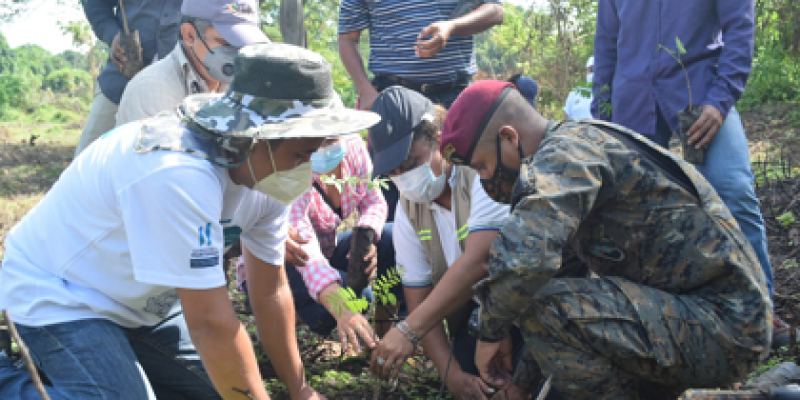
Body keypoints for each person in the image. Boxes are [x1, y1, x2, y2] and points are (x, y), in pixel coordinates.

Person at [0, 43, 380, 400]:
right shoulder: (177, 172)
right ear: (257, 137)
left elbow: (270, 291)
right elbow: (211, 323)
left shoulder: (269, 177)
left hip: (145, 302)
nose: (307, 170)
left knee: (223, 387)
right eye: (301, 154)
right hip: (64, 294)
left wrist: (300, 391)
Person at [430, 80, 771, 399]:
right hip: (704, 320)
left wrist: (489, 330)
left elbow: (524, 259)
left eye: (484, 166)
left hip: (728, 327)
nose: (486, 180)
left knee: (539, 304)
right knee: (541, 301)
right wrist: (520, 385)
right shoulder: (575, 150)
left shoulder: (565, 154)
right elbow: (554, 283)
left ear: (508, 137)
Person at [591, 1, 783, 346]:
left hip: (699, 93)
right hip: (632, 101)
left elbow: (739, 25)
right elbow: (606, 43)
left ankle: (762, 313)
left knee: (732, 188)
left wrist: (721, 98)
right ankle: (662, 319)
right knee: (637, 211)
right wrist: (602, 114)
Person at [366, 86, 522, 399]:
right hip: (472, 315)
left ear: (439, 138)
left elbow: (481, 260)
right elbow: (418, 298)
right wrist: (452, 376)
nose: (404, 178)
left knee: (525, 381)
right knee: (477, 376)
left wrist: (407, 331)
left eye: (411, 163)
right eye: (393, 172)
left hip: (522, 305)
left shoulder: (479, 172)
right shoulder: (409, 209)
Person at [237, 134, 400, 354]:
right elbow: (305, 246)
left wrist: (366, 238)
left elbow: (374, 202)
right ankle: (277, 328)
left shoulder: (353, 149)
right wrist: (341, 308)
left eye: (332, 139)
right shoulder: (294, 166)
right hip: (286, 260)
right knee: (358, 297)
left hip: (327, 250)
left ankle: (380, 342)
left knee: (390, 237)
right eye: (319, 141)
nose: (325, 148)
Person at [115, 0, 269, 126]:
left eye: (244, 44)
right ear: (189, 35)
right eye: (225, 43)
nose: (237, 53)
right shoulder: (153, 89)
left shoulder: (242, 87)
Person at [338, 0, 504, 110]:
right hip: (393, 99)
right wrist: (365, 89)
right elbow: (347, 37)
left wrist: (452, 27)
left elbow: (496, 10)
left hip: (456, 96)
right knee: (396, 162)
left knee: (458, 162)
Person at [76, 0, 182, 155]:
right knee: (87, 160)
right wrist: (112, 35)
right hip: (120, 81)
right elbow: (95, 3)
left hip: (184, 87)